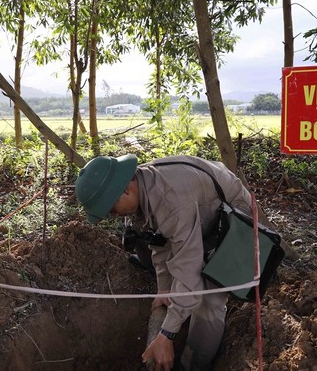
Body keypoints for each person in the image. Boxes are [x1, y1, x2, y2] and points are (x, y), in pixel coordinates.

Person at [75, 154, 254, 371]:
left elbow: (189, 270)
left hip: (233, 213)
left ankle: (193, 366)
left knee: (209, 298)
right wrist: (164, 288)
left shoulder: (170, 200)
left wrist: (167, 335)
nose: (112, 216)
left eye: (111, 210)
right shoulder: (142, 185)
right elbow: (158, 242)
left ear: (125, 191)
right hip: (198, 211)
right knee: (181, 280)